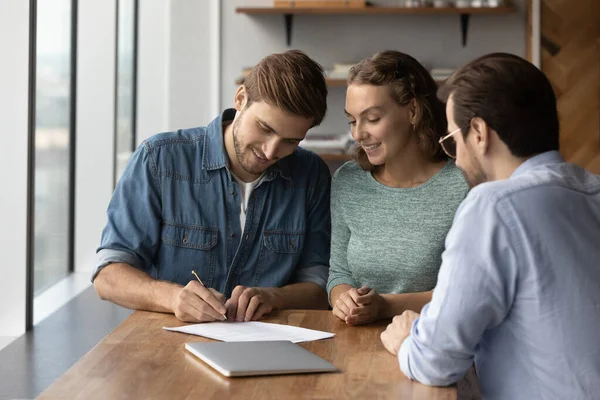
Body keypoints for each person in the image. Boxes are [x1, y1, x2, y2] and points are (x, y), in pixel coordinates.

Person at [381, 53, 600, 399]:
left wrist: (408, 339)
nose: (456, 158)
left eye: (453, 140)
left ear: (479, 133)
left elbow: (435, 361)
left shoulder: (494, 206)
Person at [93, 50, 332, 324]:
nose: (271, 150)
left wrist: (275, 297)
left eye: (290, 141)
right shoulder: (158, 160)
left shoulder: (311, 175)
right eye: (265, 128)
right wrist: (172, 298)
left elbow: (318, 286)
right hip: (167, 346)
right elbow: (108, 276)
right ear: (241, 98)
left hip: (271, 345)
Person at [327, 50, 468, 325]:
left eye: (372, 119)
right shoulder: (348, 181)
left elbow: (465, 292)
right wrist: (344, 300)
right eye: (353, 120)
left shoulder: (462, 185)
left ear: (413, 111)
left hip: (431, 345)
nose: (358, 134)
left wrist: (384, 306)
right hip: (355, 345)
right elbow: (339, 273)